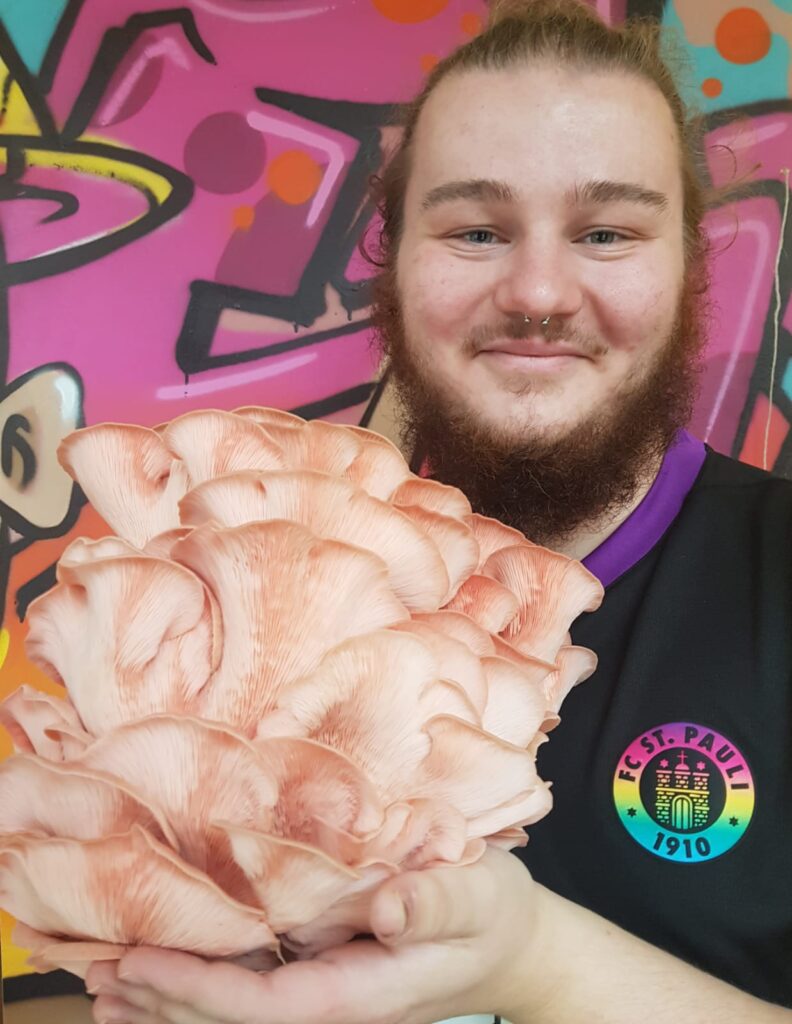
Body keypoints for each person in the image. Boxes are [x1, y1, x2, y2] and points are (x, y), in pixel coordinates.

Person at [85, 1, 792, 1021]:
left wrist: (534, 962)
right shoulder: (222, 593)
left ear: (688, 266)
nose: (538, 292)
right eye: (476, 231)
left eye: (606, 232)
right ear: (395, 258)